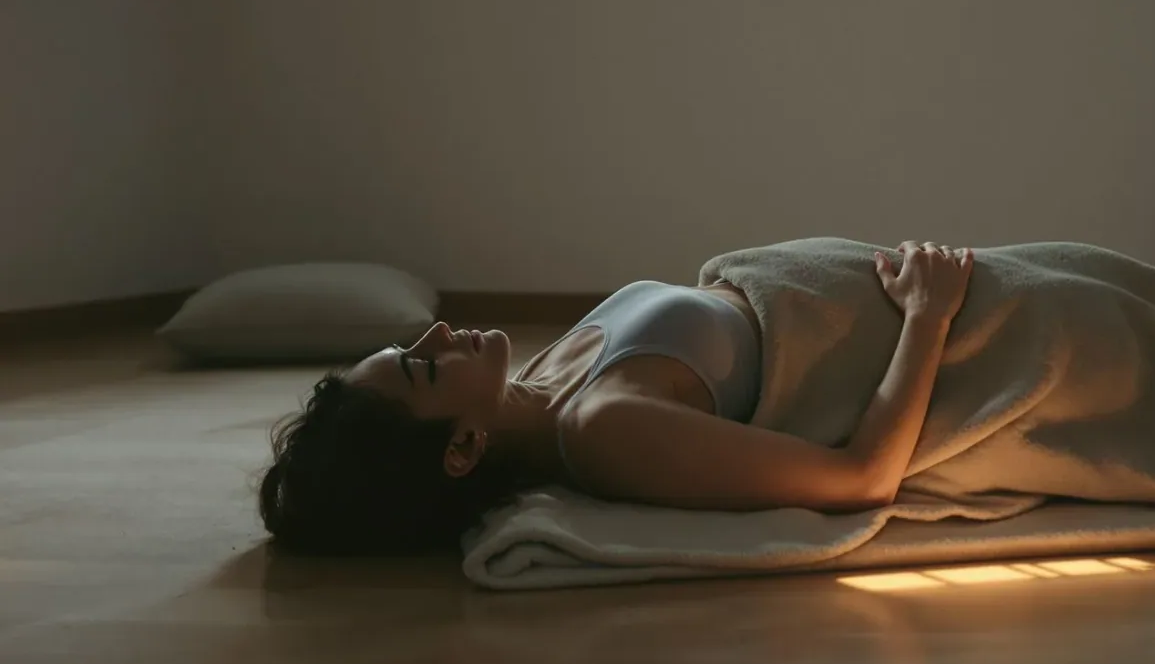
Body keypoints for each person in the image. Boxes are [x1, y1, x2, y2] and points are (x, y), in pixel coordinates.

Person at [258, 241, 974, 554]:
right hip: (946, 315)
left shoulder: (542, 377)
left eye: (410, 346)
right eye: (424, 367)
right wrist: (929, 315)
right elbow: (862, 477)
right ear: (464, 446)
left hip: (916, 273)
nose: (439, 331)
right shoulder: (608, 429)